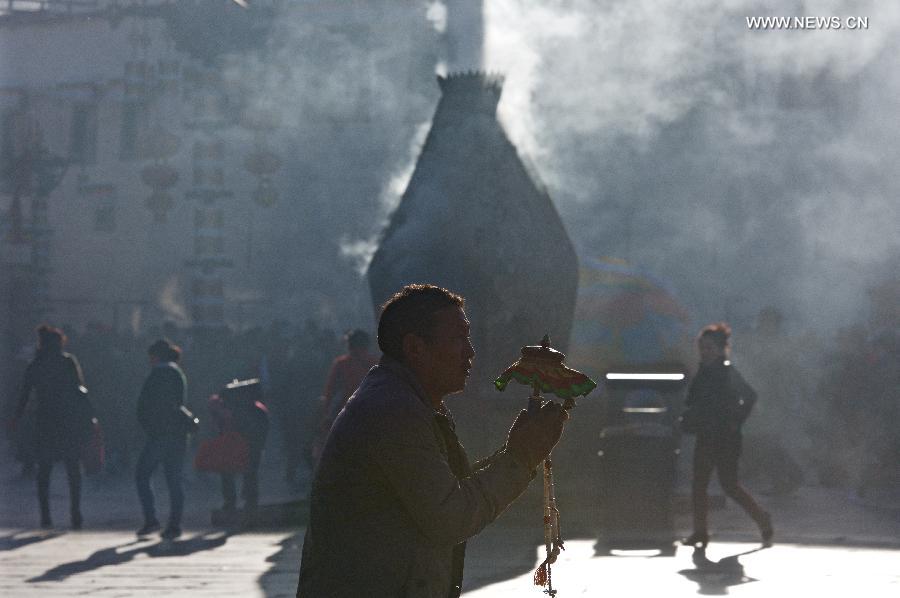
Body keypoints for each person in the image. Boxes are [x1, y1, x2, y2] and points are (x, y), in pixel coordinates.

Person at [296, 284, 569, 598]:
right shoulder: (394, 411)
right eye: (458, 339)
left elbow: (448, 487)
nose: (470, 352)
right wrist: (519, 459)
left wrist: (517, 452)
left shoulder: (410, 402)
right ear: (415, 348)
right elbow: (451, 516)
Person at [681, 322, 773, 549]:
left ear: (721, 349)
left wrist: (735, 421)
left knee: (729, 485)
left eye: (709, 347)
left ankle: (761, 517)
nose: (704, 351)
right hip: (706, 434)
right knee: (699, 484)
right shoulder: (702, 373)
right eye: (702, 347)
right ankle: (700, 532)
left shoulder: (727, 372)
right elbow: (692, 401)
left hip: (726, 437)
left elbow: (750, 396)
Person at [14, 325, 91, 529]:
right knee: (73, 469)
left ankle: (45, 516)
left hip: (45, 421)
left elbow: (24, 394)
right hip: (68, 421)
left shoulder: (36, 364)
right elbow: (80, 389)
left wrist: (16, 418)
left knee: (44, 471)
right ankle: (75, 513)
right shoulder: (68, 362)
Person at [135, 339, 189, 539]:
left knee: (142, 475)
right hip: (178, 434)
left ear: (155, 356)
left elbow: (146, 404)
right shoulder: (178, 373)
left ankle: (151, 519)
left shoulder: (158, 374)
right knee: (174, 479)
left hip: (159, 434)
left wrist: (146, 426)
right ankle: (174, 524)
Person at [311, 328, 378, 464]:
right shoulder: (376, 362)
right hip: (375, 414)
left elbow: (329, 394)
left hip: (348, 416)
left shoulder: (341, 364)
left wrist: (325, 416)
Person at [208, 379, 270, 522]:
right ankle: (250, 503)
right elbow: (263, 429)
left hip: (234, 445)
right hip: (253, 445)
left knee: (227, 473)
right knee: (251, 473)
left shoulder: (227, 409)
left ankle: (230, 504)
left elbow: (220, 428)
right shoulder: (258, 409)